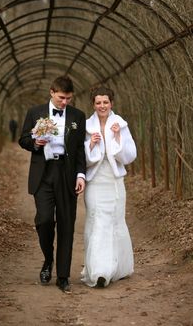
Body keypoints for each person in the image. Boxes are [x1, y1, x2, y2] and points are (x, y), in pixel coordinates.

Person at [19, 75, 86, 293]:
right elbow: (23, 139)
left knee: (67, 224)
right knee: (45, 220)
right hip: (43, 173)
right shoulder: (35, 112)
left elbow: (79, 151)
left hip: (66, 173)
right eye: (61, 98)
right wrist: (35, 143)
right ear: (51, 92)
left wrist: (80, 175)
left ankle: (63, 276)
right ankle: (48, 259)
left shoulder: (78, 116)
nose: (64, 102)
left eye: (68, 98)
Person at [81, 86, 137, 288]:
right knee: (97, 222)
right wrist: (92, 145)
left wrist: (118, 139)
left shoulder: (120, 124)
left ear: (111, 103)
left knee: (115, 222)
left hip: (114, 182)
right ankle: (99, 271)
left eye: (105, 102)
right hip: (95, 182)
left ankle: (117, 267)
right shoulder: (86, 126)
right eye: (98, 103)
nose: (102, 106)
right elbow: (82, 160)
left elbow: (130, 156)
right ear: (93, 105)